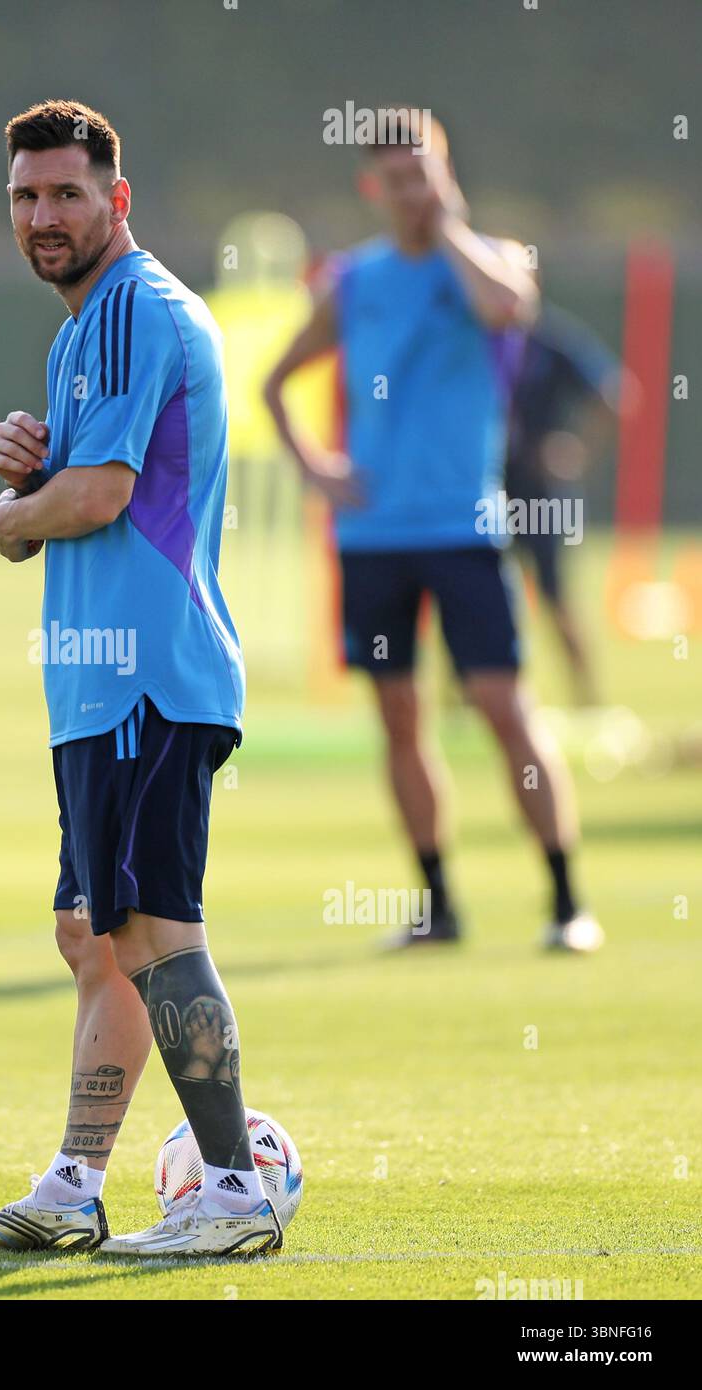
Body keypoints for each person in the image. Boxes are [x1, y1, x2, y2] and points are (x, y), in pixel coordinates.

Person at [0, 100, 280, 1256]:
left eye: (67, 194)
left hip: (150, 678)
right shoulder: (82, 330)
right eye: (26, 197)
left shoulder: (141, 307)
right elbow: (77, 477)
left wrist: (9, 513)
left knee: (152, 933)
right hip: (94, 684)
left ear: (116, 200)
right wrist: (32, 462)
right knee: (92, 935)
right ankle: (77, 1184)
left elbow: (98, 499)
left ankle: (234, 1191)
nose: (44, 216)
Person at [263, 109, 601, 953]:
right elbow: (274, 382)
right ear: (371, 187)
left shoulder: (489, 259)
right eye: (398, 178)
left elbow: (508, 307)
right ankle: (437, 904)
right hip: (373, 537)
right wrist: (317, 466)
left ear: (446, 174)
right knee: (399, 717)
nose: (413, 191)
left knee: (502, 707)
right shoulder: (350, 280)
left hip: (464, 529)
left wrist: (447, 225)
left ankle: (565, 901)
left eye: (427, 173)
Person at [505, 302, 626, 705]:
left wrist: (575, 451)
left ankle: (586, 697)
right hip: (484, 488)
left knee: (555, 595)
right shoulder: (474, 337)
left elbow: (615, 393)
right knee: (468, 591)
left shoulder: (551, 342)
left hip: (540, 492)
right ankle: (465, 702)